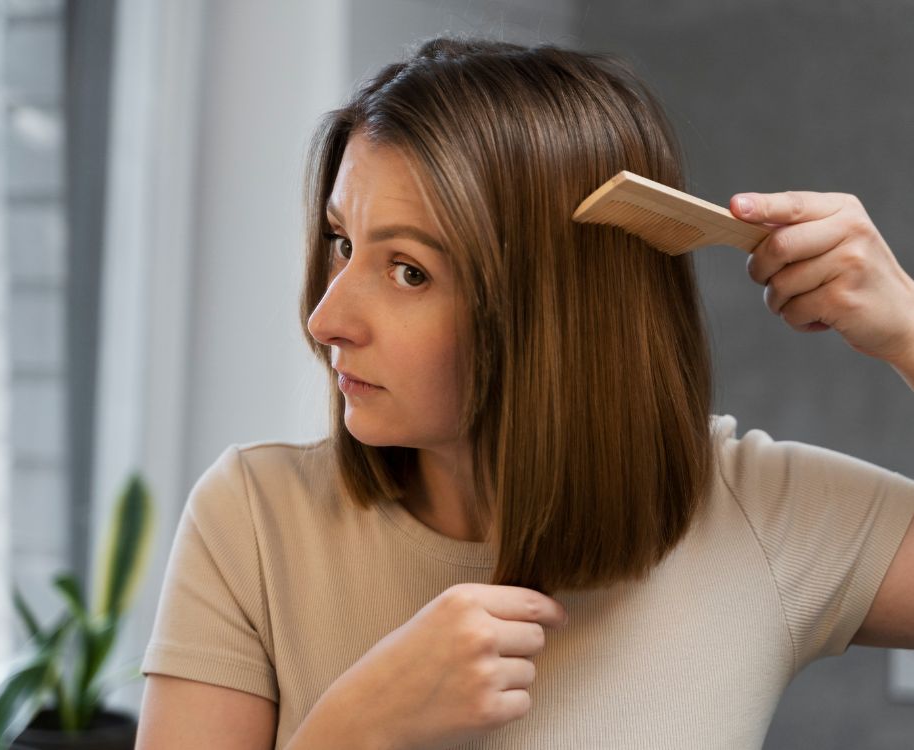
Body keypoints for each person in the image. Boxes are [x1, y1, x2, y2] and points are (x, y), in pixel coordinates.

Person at [135, 36, 914, 749]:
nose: (326, 316)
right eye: (342, 242)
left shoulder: (761, 515)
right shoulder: (253, 523)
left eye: (409, 271)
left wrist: (908, 329)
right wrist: (357, 726)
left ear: (558, 312)